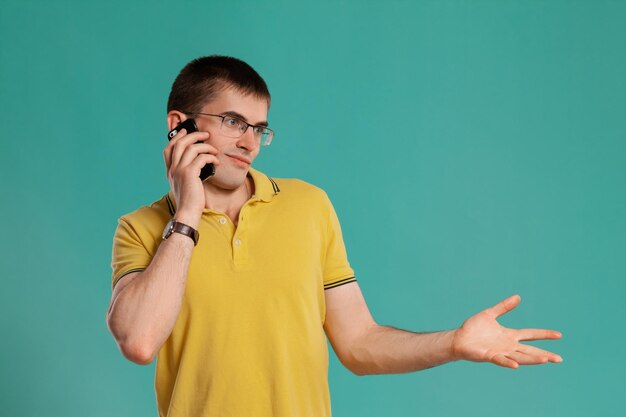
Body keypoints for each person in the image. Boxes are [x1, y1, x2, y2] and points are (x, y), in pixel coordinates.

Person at [106, 55, 562, 417]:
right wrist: (187, 212)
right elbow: (140, 342)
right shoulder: (142, 228)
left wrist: (454, 343)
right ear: (179, 124)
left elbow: (359, 343)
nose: (249, 142)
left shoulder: (309, 206)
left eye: (260, 128)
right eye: (232, 121)